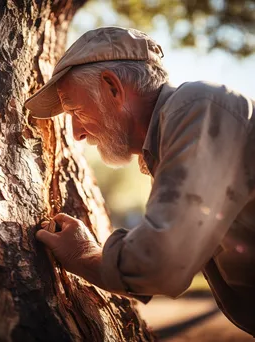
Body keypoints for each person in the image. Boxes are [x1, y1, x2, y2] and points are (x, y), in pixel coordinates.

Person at [24, 27, 255, 336]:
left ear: (112, 87)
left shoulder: (199, 106)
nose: (77, 133)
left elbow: (162, 262)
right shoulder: (169, 140)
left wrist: (84, 256)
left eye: (76, 110)